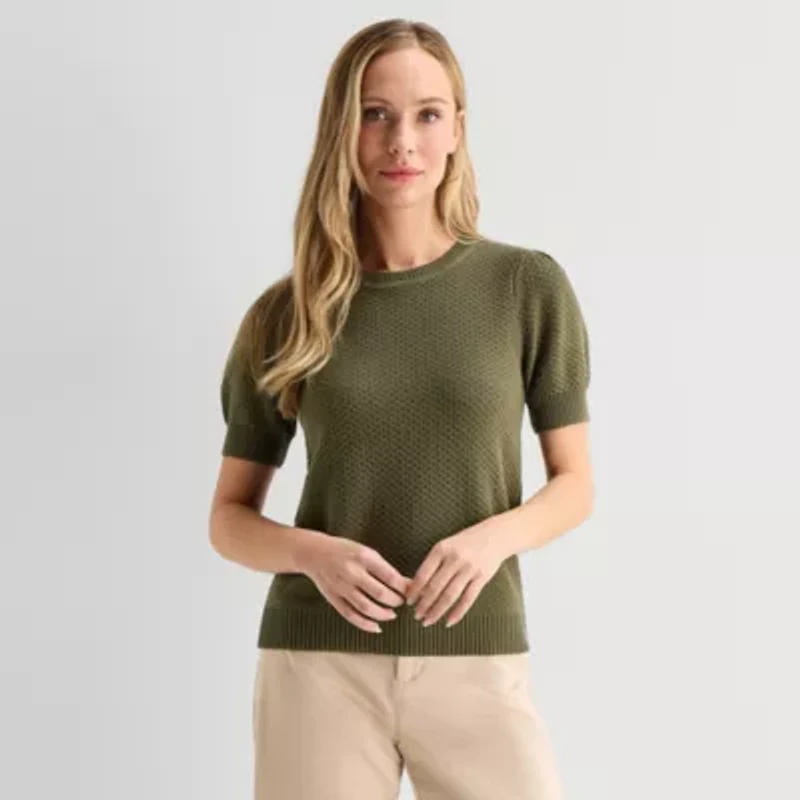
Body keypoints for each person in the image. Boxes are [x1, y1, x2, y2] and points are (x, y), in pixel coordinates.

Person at [209, 17, 593, 800]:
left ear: (457, 130)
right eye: (375, 114)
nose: (402, 142)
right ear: (342, 129)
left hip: (475, 658)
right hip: (318, 665)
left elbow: (575, 484)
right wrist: (313, 554)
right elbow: (229, 519)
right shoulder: (287, 314)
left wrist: (491, 541)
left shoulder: (525, 288)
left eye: (427, 114)